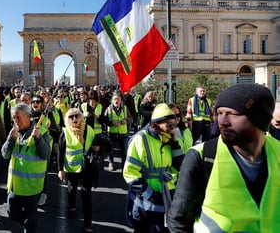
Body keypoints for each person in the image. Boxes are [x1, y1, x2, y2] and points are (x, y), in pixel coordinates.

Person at [167, 83, 280, 232]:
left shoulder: (277, 152)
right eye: (220, 113)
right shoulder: (202, 156)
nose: (223, 121)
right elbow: (178, 221)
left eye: (233, 114)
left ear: (258, 119)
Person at [123, 103, 184, 233]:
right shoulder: (140, 139)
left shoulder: (168, 139)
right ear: (157, 123)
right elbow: (130, 173)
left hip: (166, 197)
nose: (172, 129)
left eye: (174, 125)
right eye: (169, 125)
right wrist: (149, 194)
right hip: (146, 202)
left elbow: (178, 167)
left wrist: (175, 144)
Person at [1, 103, 51, 233]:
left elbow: (46, 154)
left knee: (30, 222)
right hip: (15, 185)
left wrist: (38, 138)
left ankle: (29, 226)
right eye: (13, 118)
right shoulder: (14, 131)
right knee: (12, 213)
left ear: (28, 116)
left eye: (18, 117)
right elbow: (5, 154)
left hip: (32, 187)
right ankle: (27, 223)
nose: (15, 121)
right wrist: (11, 139)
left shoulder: (42, 131)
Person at [57, 108, 100, 232]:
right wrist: (60, 169)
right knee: (72, 189)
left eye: (77, 116)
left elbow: (94, 145)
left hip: (87, 169)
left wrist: (96, 148)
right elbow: (60, 151)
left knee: (87, 195)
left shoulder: (89, 130)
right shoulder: (65, 132)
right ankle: (71, 208)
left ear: (81, 117)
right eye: (71, 117)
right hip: (72, 169)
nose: (74, 118)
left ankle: (88, 223)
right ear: (67, 120)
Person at [104, 92, 129, 171]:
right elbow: (104, 120)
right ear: (112, 101)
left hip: (123, 133)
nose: (116, 101)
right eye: (115, 99)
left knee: (124, 150)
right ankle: (111, 163)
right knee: (111, 149)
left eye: (118, 99)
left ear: (121, 101)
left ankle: (124, 166)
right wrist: (111, 123)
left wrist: (126, 120)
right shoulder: (108, 109)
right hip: (112, 132)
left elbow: (130, 118)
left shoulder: (125, 108)